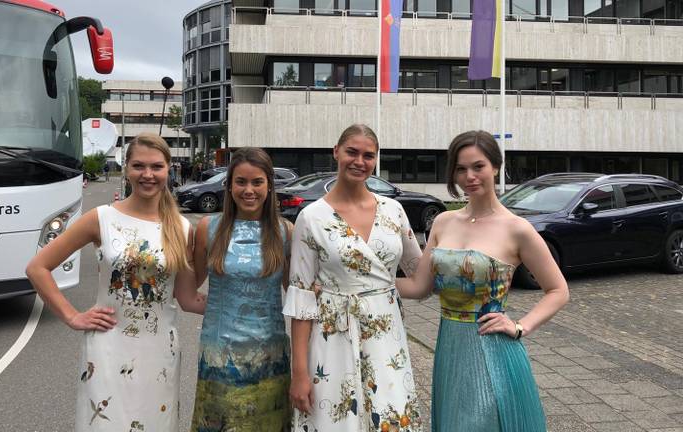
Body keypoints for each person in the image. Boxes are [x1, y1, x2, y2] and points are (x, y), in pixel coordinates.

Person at [26, 133, 206, 432]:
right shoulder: (102, 218)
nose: (147, 175)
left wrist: (246, 305)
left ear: (169, 169)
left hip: (160, 351)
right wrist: (72, 316)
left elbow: (188, 298)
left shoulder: (182, 227)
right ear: (126, 168)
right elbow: (37, 268)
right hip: (108, 348)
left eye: (156, 167)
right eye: (138, 166)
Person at [396, 130, 570, 432]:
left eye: (478, 166)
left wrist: (519, 327)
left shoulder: (517, 228)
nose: (469, 176)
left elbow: (558, 290)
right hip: (450, 348)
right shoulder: (443, 221)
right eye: (461, 169)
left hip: (493, 350)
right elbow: (418, 287)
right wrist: (361, 280)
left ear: (496, 167)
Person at [284, 124, 423, 432]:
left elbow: (419, 275)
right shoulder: (312, 217)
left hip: (386, 334)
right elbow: (301, 298)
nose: (359, 161)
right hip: (332, 333)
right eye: (352, 152)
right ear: (336, 152)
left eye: (368, 155)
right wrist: (300, 372)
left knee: (390, 414)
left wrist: (453, 238)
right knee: (334, 415)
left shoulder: (394, 211)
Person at [190, 148, 293, 431]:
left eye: (257, 182)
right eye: (241, 182)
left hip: (270, 358)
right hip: (220, 358)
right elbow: (187, 295)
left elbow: (296, 294)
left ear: (269, 186)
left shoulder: (285, 232)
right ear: (229, 185)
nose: (249, 190)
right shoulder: (208, 228)